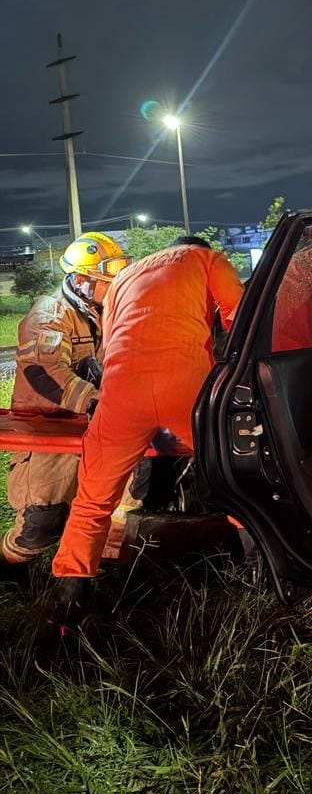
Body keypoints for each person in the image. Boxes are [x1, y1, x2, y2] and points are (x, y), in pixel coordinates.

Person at [49, 236, 244, 607]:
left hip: (121, 391)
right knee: (234, 473)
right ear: (197, 248)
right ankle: (258, 567)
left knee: (93, 498)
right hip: (186, 386)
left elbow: (110, 348)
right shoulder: (207, 260)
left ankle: (69, 596)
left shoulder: (123, 278)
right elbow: (241, 321)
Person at [1, 233, 130, 574]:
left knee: (98, 506)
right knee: (42, 521)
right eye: (107, 283)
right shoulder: (50, 315)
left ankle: (89, 572)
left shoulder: (101, 313)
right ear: (81, 280)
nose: (114, 289)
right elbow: (45, 373)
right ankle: (9, 568)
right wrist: (97, 401)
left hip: (88, 428)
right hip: (47, 430)